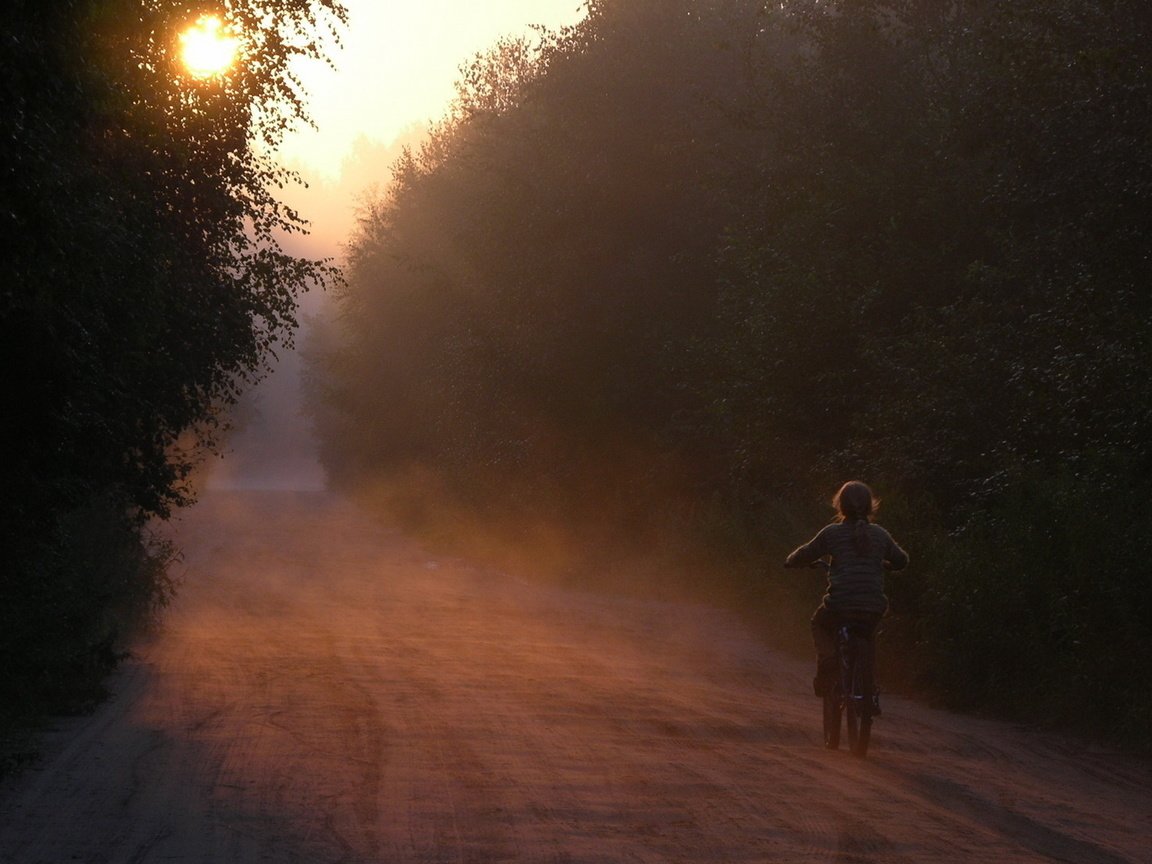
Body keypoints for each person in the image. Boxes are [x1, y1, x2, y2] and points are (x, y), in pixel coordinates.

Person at [784, 481, 909, 701]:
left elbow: (807, 553)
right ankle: (868, 687)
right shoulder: (880, 535)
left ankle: (828, 658)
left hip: (840, 605)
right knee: (868, 632)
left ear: (840, 506)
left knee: (819, 623)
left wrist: (791, 561)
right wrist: (887, 565)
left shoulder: (832, 533)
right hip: (873, 606)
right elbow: (901, 560)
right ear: (870, 506)